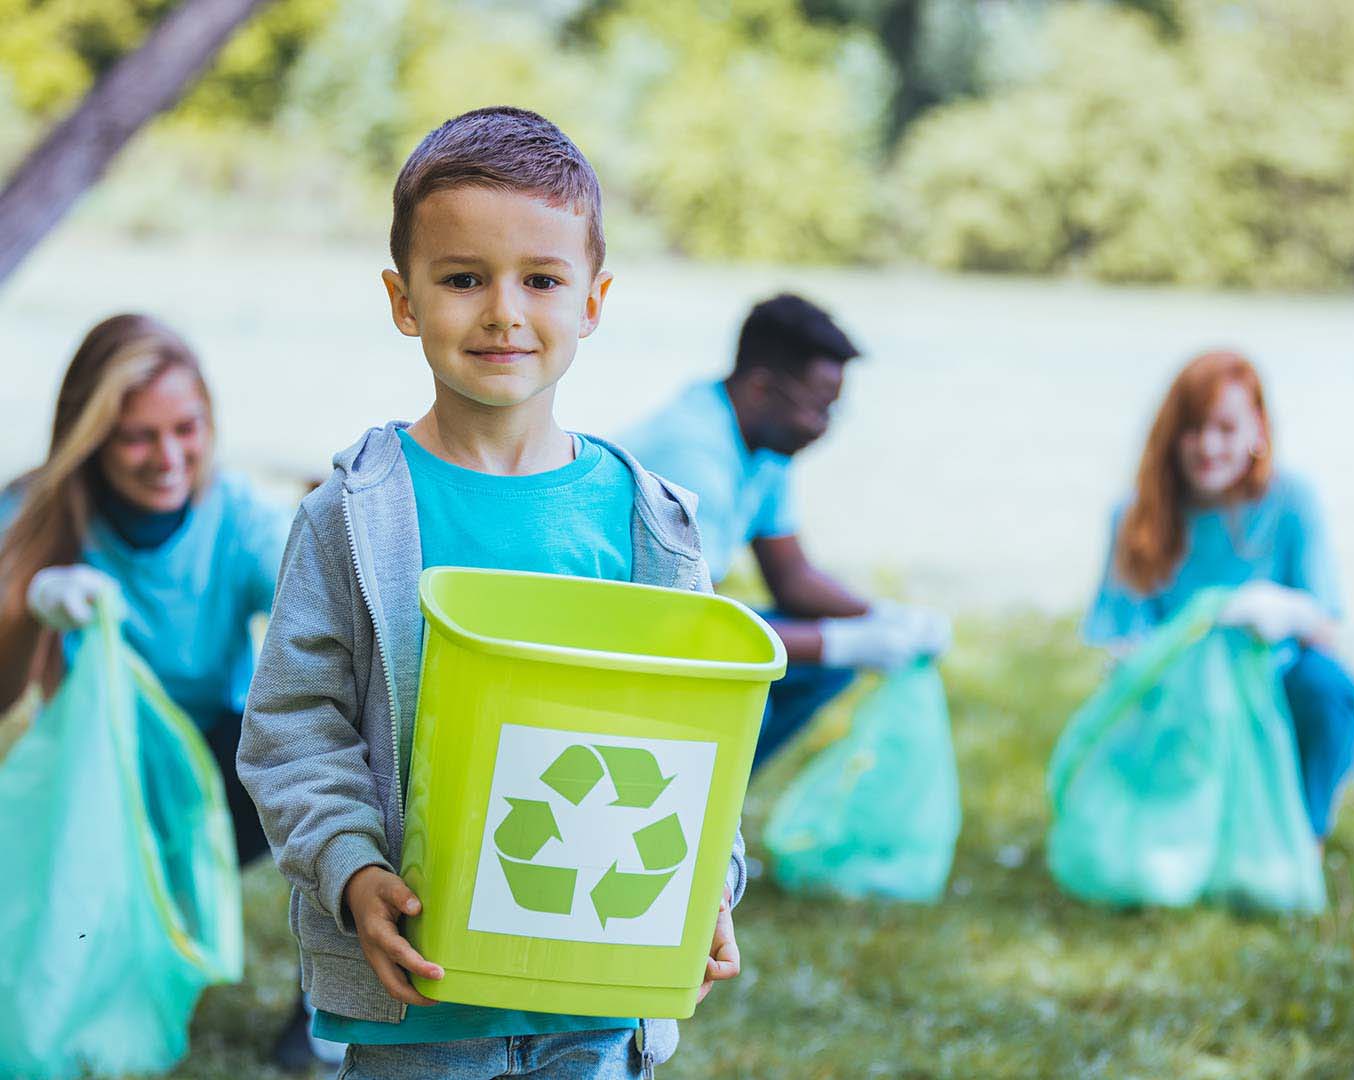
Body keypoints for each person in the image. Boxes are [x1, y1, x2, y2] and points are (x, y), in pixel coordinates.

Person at [237, 107, 743, 1079]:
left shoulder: (652, 524)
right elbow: (294, 724)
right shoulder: (355, 514)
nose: (504, 311)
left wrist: (706, 886)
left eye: (541, 280)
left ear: (594, 300)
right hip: (420, 1001)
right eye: (464, 279)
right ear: (404, 299)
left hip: (597, 1004)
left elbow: (698, 752)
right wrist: (353, 870)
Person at [0, 313, 336, 1071]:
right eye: (136, 437)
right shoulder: (39, 518)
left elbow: (315, 622)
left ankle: (326, 1001)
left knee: (343, 758)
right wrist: (28, 605)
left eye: (186, 428)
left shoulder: (238, 519)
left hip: (217, 776)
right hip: (99, 783)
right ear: (90, 436)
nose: (168, 457)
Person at [621, 294, 949, 771]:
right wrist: (848, 640)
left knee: (822, 668)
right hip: (628, 636)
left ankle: (714, 808)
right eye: (816, 408)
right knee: (755, 696)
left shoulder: (763, 447)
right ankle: (694, 814)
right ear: (760, 388)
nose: (823, 428)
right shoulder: (694, 458)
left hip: (669, 622)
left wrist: (881, 616)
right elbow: (685, 625)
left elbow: (791, 576)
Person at [1083, 349, 1354, 841]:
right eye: (1192, 428)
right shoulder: (1135, 517)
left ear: (1257, 430)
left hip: (1273, 684)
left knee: (1328, 688)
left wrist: (1284, 611)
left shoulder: (1292, 501)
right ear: (1171, 435)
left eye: (1225, 428)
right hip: (1177, 695)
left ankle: (1304, 835)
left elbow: (1326, 627)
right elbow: (1121, 640)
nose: (1207, 446)